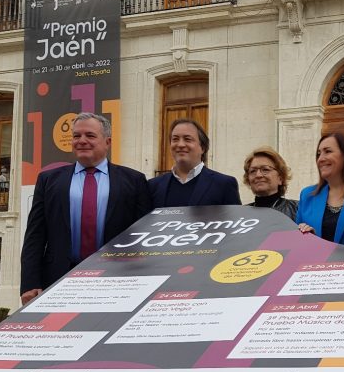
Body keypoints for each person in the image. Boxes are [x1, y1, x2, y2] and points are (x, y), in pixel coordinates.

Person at [20, 112, 151, 305]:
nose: (81, 141)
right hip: (58, 280)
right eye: (76, 136)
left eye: (90, 135)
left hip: (116, 280)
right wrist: (30, 283)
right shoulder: (48, 180)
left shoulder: (134, 180)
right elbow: (35, 235)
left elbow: (143, 237)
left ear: (107, 142)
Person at [148, 118, 240, 208]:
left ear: (202, 147)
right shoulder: (152, 186)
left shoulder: (224, 185)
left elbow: (234, 218)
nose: (180, 144)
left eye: (187, 139)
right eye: (175, 139)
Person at [294, 133, 344, 245]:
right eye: (318, 154)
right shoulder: (307, 195)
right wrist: (306, 236)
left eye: (328, 151)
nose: (320, 159)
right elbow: (296, 242)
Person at [242, 146, 299, 221]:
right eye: (253, 171)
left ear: (280, 178)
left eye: (265, 169)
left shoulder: (297, 209)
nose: (258, 175)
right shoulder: (241, 214)